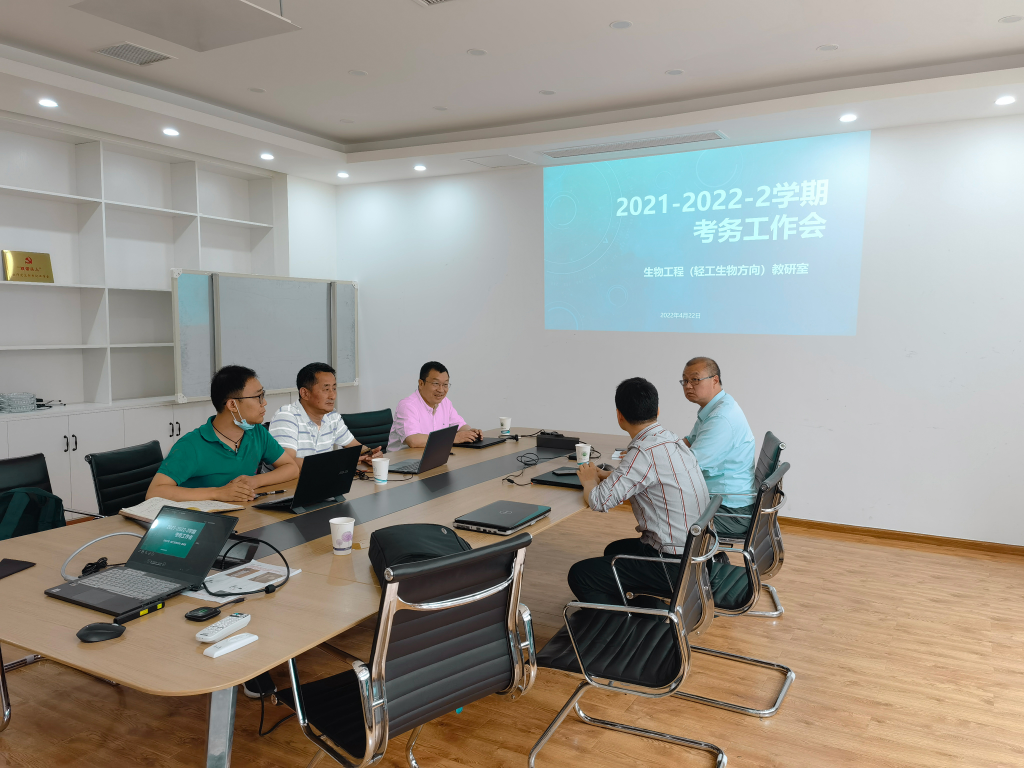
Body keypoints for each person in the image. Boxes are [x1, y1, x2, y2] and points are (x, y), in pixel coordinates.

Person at [569, 377, 711, 606]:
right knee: (614, 550)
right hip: (699, 554)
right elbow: (648, 477)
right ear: (657, 410)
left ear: (619, 416)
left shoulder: (643, 451)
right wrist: (610, 476)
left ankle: (633, 617)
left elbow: (598, 500)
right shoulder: (670, 440)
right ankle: (635, 604)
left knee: (580, 575)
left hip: (672, 565)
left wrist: (588, 481)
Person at [146, 365, 299, 502]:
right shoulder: (191, 445)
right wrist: (217, 493)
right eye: (258, 397)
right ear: (232, 405)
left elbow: (291, 468)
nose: (264, 402)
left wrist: (255, 481)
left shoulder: (257, 432)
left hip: (244, 513)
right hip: (202, 519)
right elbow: (154, 493)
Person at [680, 356, 757, 540]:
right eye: (685, 380)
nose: (688, 386)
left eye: (695, 379)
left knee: (665, 512)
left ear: (715, 380)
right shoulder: (715, 407)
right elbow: (689, 442)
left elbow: (690, 466)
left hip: (730, 512)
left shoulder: (721, 418)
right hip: (721, 500)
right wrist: (655, 451)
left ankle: (668, 556)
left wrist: (653, 461)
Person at [269, 362, 383, 469]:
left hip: (321, 479)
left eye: (334, 388)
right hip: (289, 483)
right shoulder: (287, 416)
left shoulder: (332, 416)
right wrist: (338, 462)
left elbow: (355, 447)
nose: (332, 396)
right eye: (326, 389)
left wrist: (370, 454)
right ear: (305, 393)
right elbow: (287, 463)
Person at [387, 361, 482, 452]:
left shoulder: (445, 402)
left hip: (431, 455)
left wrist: (470, 432)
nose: (441, 390)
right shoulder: (407, 406)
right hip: (402, 460)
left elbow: (459, 425)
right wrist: (453, 438)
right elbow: (413, 440)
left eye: (445, 384)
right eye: (436, 384)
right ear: (421, 383)